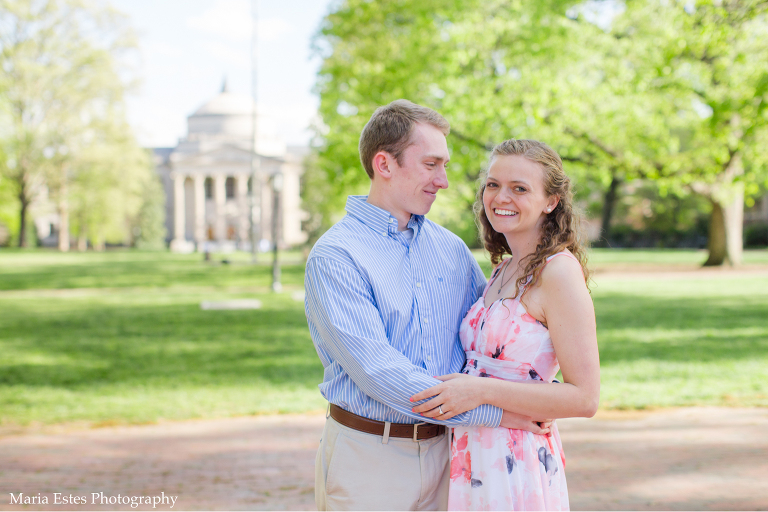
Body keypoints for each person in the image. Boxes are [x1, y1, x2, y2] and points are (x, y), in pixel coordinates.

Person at [305, 101, 551, 511]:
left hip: (454, 455)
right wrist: (497, 414)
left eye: (446, 165)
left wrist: (538, 390)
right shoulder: (336, 255)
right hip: (371, 458)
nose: (444, 181)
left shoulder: (450, 249)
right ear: (384, 164)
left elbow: (490, 334)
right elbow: (379, 372)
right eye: (431, 164)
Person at [411, 139, 600, 511]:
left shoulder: (558, 272)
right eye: (493, 184)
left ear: (551, 201)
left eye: (520, 188)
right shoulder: (503, 267)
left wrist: (478, 391)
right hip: (471, 452)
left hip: (516, 462)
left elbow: (584, 398)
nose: (501, 197)